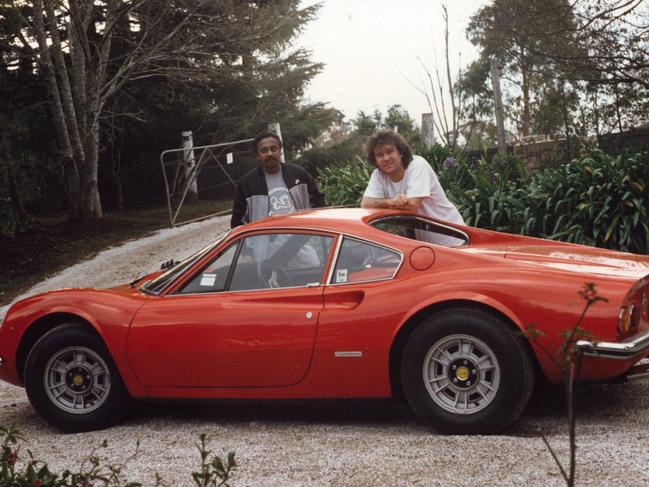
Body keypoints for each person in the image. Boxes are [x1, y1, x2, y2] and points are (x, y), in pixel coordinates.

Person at [360, 129, 464, 226]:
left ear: (400, 152)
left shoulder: (418, 165)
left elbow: (411, 207)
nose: (386, 158)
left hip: (455, 237)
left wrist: (381, 203)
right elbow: (365, 204)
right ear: (375, 160)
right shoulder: (378, 175)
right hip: (425, 242)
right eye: (380, 155)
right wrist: (391, 201)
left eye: (390, 151)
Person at [230, 131, 325, 228]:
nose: (270, 153)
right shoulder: (247, 184)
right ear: (257, 155)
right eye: (264, 150)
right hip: (264, 242)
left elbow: (319, 203)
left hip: (302, 238)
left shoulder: (299, 174)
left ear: (280, 151)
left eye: (273, 149)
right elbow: (238, 223)